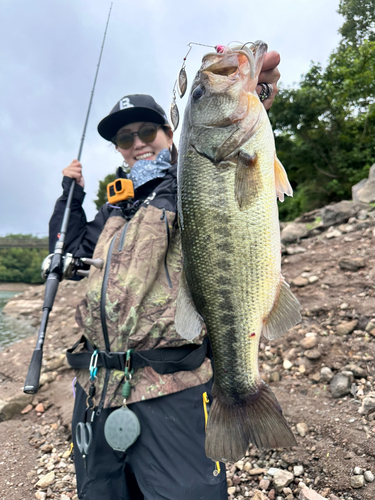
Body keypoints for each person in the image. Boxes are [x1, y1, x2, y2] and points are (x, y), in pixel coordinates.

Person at [49, 51, 281, 500]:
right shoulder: (114, 208)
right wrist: (68, 195)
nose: (136, 143)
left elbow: (229, 165)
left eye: (147, 131)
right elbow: (70, 248)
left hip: (171, 389)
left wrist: (258, 94)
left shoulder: (183, 180)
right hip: (96, 388)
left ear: (171, 132)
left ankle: (242, 396)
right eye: (124, 138)